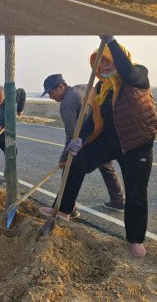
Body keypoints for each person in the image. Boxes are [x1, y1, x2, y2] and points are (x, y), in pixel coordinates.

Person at [52, 36, 157, 258]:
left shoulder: (138, 74)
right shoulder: (102, 86)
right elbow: (92, 120)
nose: (103, 64)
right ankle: (63, 210)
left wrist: (111, 42)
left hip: (137, 143)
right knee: (77, 161)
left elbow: (127, 72)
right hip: (110, 140)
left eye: (107, 59)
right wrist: (80, 139)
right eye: (99, 62)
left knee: (136, 191)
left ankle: (135, 239)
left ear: (118, 57)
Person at [40, 73, 125, 213]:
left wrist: (64, 157)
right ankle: (118, 200)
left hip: (88, 136)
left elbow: (72, 135)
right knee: (106, 164)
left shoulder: (66, 104)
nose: (50, 96)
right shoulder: (82, 88)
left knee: (70, 168)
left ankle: (67, 208)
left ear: (61, 86)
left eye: (51, 92)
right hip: (103, 133)